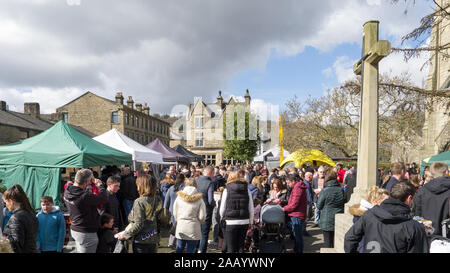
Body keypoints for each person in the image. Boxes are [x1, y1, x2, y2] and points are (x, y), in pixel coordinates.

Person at [345, 181, 429, 253]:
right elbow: (350, 238)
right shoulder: (413, 227)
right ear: (409, 198)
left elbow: (350, 238)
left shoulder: (370, 215)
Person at [117, 174, 169, 253]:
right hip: (153, 238)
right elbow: (161, 220)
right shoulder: (158, 199)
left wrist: (125, 235)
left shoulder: (139, 201)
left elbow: (138, 224)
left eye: (137, 184)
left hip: (141, 241)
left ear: (142, 186)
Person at [64, 169, 108, 253]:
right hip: (86, 232)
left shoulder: (68, 190)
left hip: (76, 228)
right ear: (87, 181)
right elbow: (103, 198)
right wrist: (100, 185)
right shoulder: (84, 196)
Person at [219, 171, 254, 253]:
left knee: (230, 248)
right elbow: (251, 207)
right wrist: (251, 221)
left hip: (230, 221)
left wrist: (222, 218)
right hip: (244, 220)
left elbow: (222, 207)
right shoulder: (247, 189)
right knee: (241, 247)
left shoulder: (226, 189)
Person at [413, 161, 450, 236]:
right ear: (446, 172)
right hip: (445, 234)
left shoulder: (422, 191)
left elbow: (417, 214)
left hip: (427, 234)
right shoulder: (422, 190)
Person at [348, 187, 389, 253]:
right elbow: (351, 239)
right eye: (386, 202)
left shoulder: (372, 216)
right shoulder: (366, 218)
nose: (389, 205)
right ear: (375, 202)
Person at [2, 184, 38, 253]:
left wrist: (3, 239)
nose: (5, 205)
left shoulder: (16, 217)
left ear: (11, 201)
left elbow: (16, 244)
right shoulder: (31, 214)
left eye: (5, 202)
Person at [173, 178, 206, 253]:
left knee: (179, 247)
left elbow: (175, 212)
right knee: (191, 249)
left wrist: (178, 219)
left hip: (181, 225)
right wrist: (199, 222)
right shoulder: (200, 199)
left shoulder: (179, 197)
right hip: (194, 226)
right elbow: (202, 216)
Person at [316, 169, 345, 248]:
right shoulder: (341, 190)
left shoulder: (324, 191)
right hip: (338, 217)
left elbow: (318, 206)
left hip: (326, 218)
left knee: (327, 242)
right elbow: (344, 202)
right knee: (336, 243)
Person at [283, 174, 308, 253]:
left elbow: (294, 204)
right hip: (297, 213)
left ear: (293, 181)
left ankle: (299, 251)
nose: (287, 185)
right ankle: (296, 249)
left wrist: (284, 209)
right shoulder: (298, 187)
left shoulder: (297, 188)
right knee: (296, 234)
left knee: (298, 235)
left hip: (297, 214)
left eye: (288, 183)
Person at [196, 166, 216, 253]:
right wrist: (215, 204)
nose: (213, 176)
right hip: (206, 210)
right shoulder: (210, 183)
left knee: (197, 231)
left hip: (195, 209)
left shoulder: (196, 180)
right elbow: (210, 200)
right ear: (210, 173)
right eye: (213, 174)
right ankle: (202, 250)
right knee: (204, 233)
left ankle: (196, 249)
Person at [164, 173, 185, 248]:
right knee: (179, 227)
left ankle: (171, 242)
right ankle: (177, 243)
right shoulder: (184, 188)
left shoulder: (171, 188)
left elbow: (166, 201)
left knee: (174, 226)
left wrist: (165, 210)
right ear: (183, 180)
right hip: (181, 211)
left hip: (172, 211)